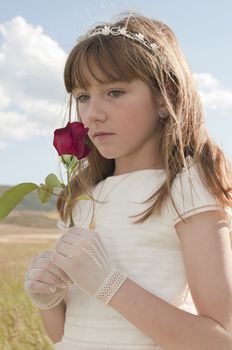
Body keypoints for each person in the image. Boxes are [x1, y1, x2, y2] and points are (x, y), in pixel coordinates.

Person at [24, 12, 232, 350]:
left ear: (166, 97)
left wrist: (108, 283)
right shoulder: (86, 196)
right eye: (82, 96)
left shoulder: (185, 187)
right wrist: (49, 301)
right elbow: (67, 336)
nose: (93, 113)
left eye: (115, 92)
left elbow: (220, 340)